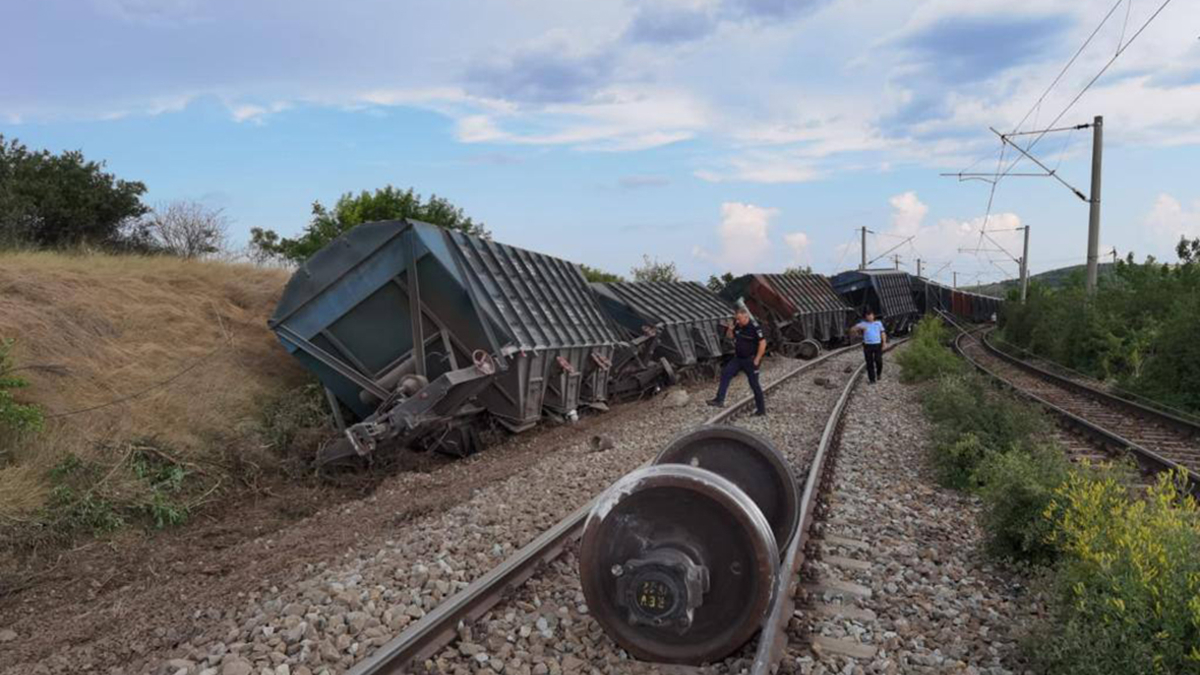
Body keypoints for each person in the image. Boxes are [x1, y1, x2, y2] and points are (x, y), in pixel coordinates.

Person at [708, 307, 767, 415]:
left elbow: (763, 344)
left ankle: (761, 410)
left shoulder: (755, 328)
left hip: (751, 360)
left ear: (746, 317)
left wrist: (757, 359)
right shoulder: (738, 326)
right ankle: (719, 400)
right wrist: (730, 328)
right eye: (737, 319)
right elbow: (730, 336)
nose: (738, 321)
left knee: (754, 384)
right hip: (738, 359)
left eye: (740, 319)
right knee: (726, 373)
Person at [851, 310, 886, 384]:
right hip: (867, 345)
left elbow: (883, 333)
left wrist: (884, 343)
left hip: (877, 344)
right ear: (866, 317)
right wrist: (857, 332)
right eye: (868, 316)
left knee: (878, 361)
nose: (870, 317)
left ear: (873, 316)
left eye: (871, 315)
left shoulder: (878, 323)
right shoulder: (863, 324)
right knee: (869, 363)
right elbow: (852, 329)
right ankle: (872, 380)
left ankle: (878, 373)